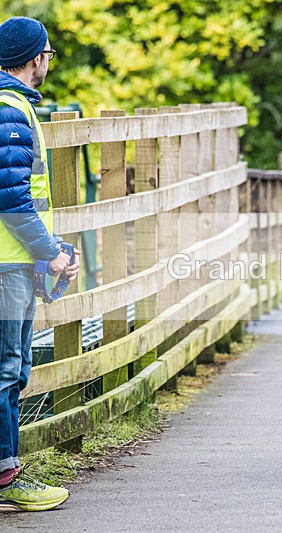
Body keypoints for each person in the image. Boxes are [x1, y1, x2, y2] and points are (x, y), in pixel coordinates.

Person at [0, 16, 79, 511]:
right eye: (48, 54)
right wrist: (51, 253)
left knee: (14, 367)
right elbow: (11, 199)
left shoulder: (15, 106)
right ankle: (6, 480)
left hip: (15, 260)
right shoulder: (10, 110)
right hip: (8, 265)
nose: (48, 62)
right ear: (34, 58)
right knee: (7, 369)